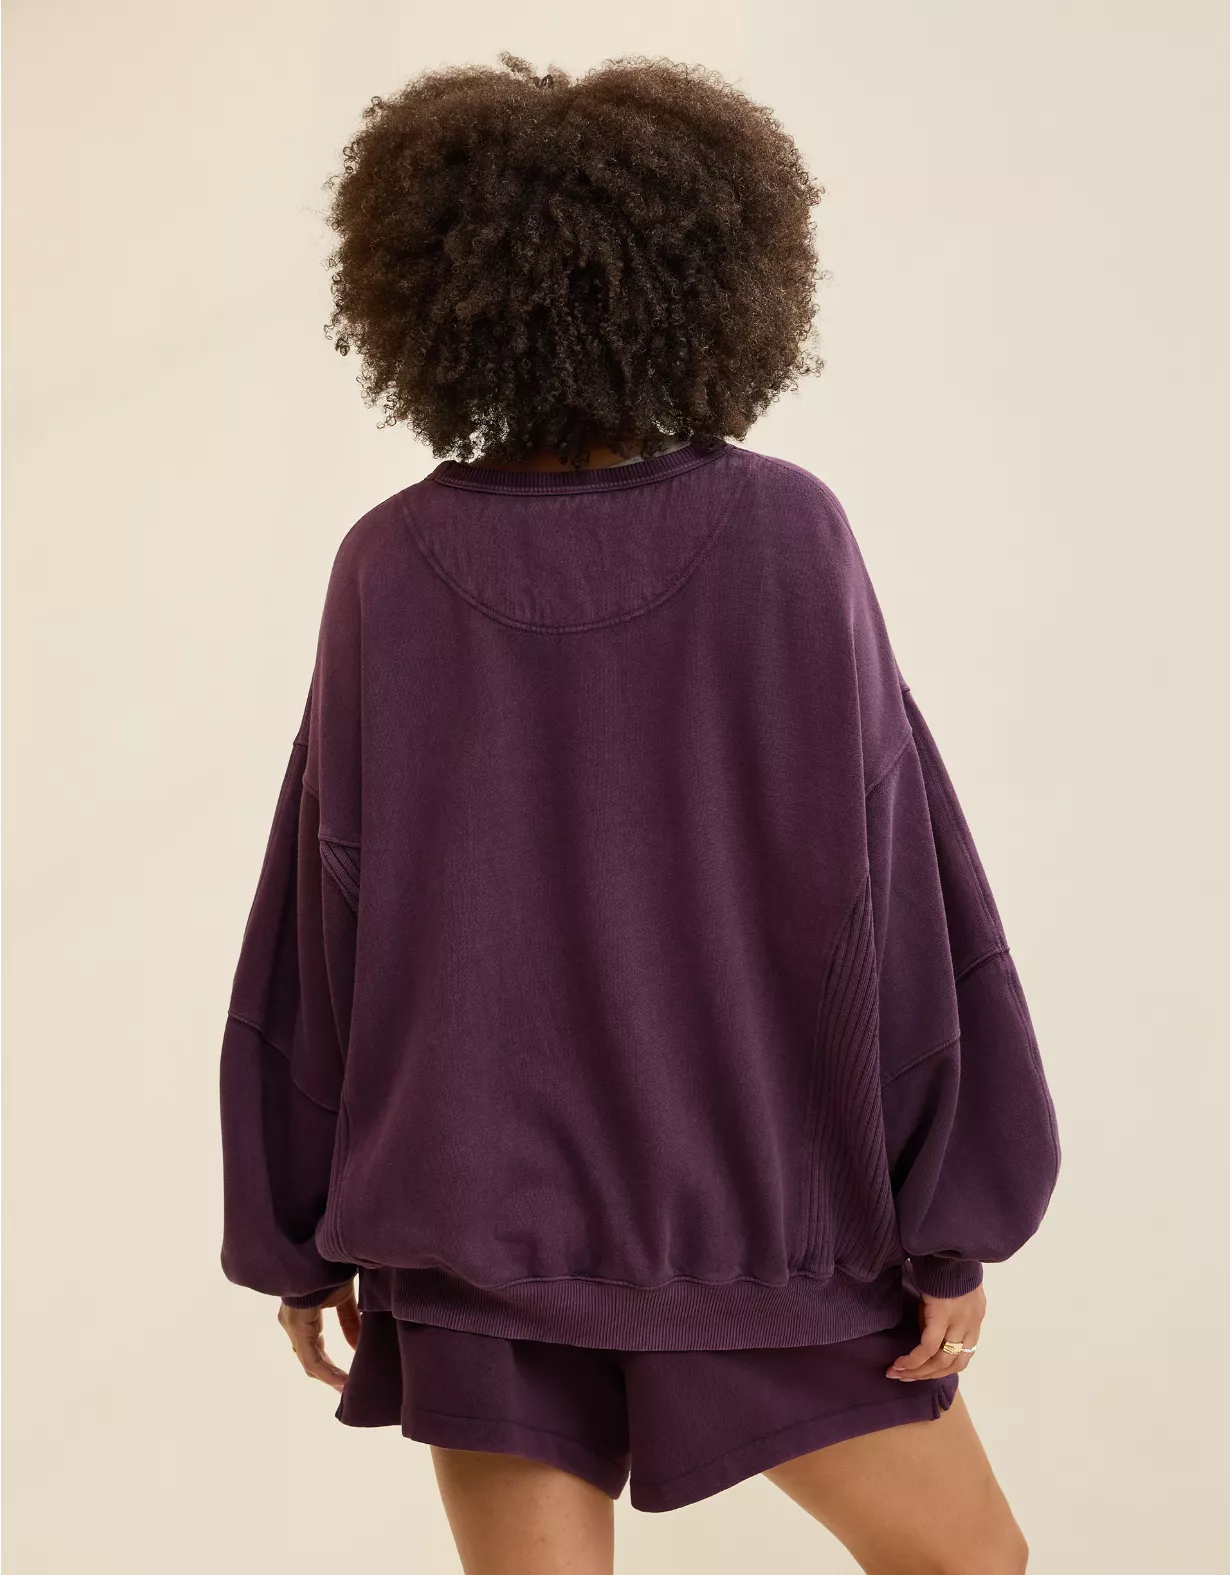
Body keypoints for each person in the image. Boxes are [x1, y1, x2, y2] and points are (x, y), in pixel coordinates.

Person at [217, 50, 1060, 1575]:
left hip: (469, 1224)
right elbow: (900, 887)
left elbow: (320, 920)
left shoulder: (388, 561)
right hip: (754, 1214)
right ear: (718, 277)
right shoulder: (785, 532)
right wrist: (948, 1213)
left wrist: (294, 1227)